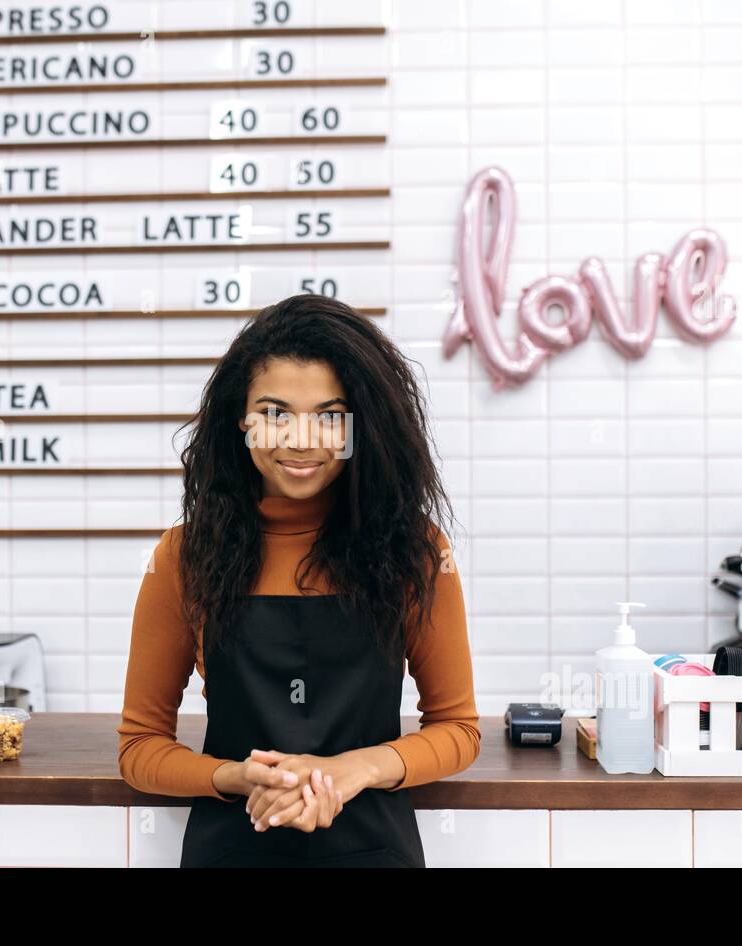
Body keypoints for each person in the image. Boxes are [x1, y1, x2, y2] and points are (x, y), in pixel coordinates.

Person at [117, 294, 480, 867]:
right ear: (242, 422)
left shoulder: (416, 551)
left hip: (373, 850)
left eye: (329, 415)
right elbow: (140, 749)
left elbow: (458, 730)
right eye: (276, 413)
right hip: (232, 850)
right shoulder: (185, 556)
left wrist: (350, 770)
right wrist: (237, 777)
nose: (301, 439)